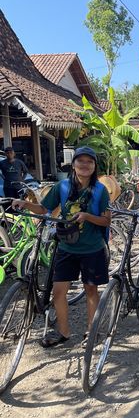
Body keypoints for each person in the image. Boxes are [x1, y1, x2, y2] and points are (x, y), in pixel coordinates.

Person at [12, 146, 111, 347]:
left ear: (94, 166)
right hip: (66, 247)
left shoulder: (100, 190)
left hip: (92, 248)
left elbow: (106, 221)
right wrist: (23, 203)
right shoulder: (62, 187)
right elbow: (44, 208)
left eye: (89, 162)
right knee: (58, 292)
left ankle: (91, 332)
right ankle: (63, 332)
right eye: (80, 161)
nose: (84, 165)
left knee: (91, 290)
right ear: (73, 164)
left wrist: (87, 216)